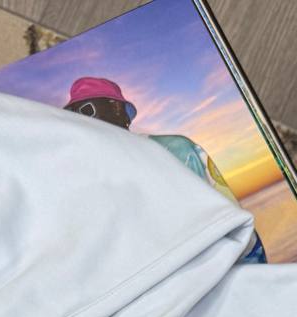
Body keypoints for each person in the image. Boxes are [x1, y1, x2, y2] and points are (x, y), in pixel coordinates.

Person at [63, 75, 267, 264]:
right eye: (74, 116)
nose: (84, 122)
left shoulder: (175, 149)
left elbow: (229, 218)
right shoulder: (88, 181)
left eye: (86, 110)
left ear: (116, 107)